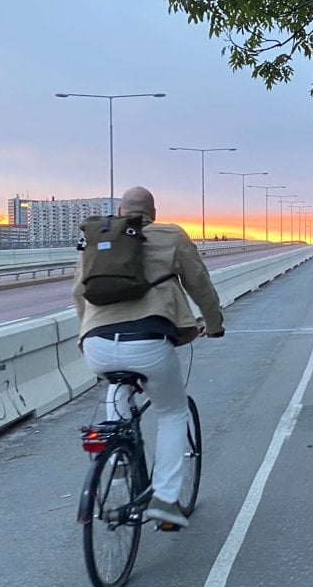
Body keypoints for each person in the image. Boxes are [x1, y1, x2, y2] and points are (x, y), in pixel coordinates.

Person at [73, 185, 225, 528]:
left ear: (121, 211)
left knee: (117, 382)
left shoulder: (98, 238)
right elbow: (198, 283)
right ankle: (166, 500)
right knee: (172, 412)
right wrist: (213, 324)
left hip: (97, 342)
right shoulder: (170, 235)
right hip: (148, 339)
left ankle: (118, 454)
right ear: (152, 212)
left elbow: (77, 292)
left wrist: (86, 335)